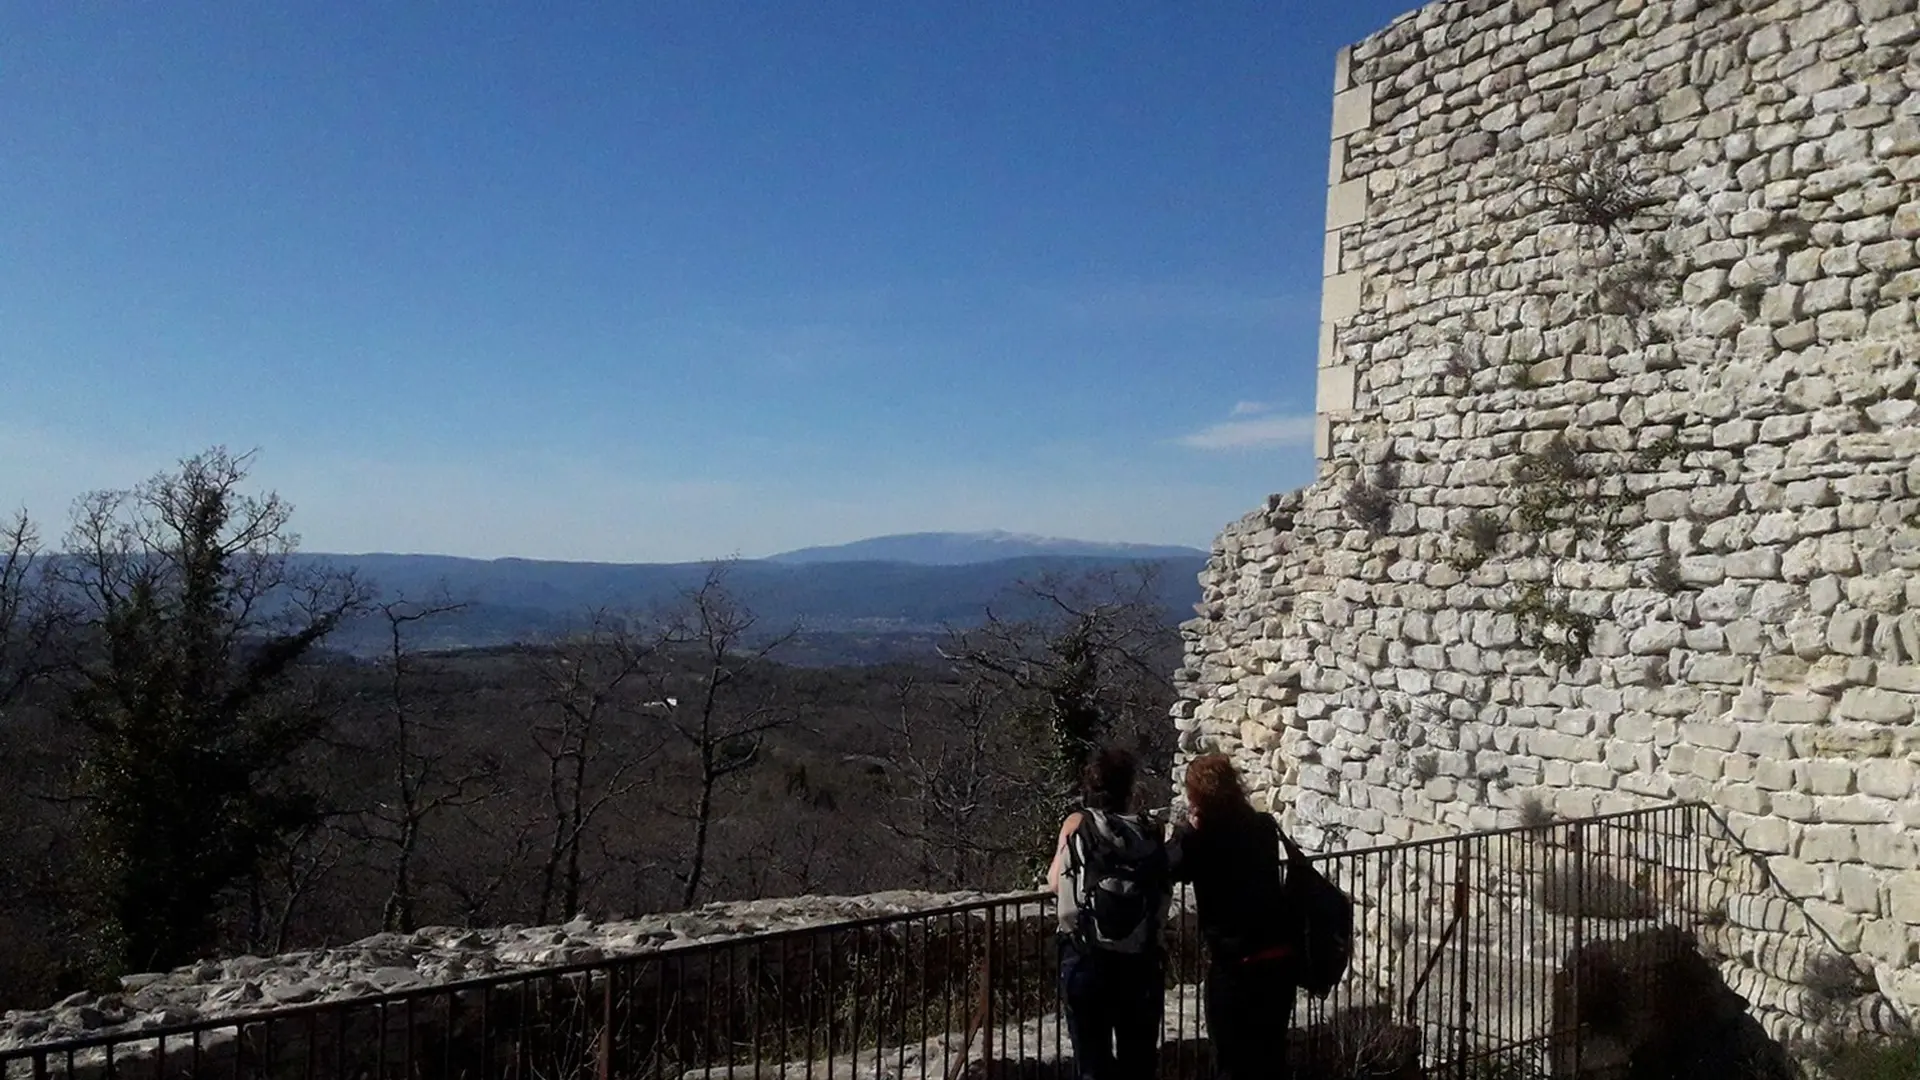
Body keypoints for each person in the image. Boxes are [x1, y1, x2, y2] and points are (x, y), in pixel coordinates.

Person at [1168, 753, 1297, 1080]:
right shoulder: (1264, 827)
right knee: (1271, 1060)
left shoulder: (1202, 840)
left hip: (1235, 965)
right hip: (1279, 959)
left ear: (1196, 796)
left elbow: (1167, 867)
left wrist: (1184, 830)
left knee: (1231, 1063)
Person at [1048, 747, 1172, 1080]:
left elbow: (1054, 881)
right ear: (1129, 789)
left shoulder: (1077, 824)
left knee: (1093, 1064)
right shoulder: (1149, 830)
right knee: (1139, 1062)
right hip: (1141, 959)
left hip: (1087, 957)